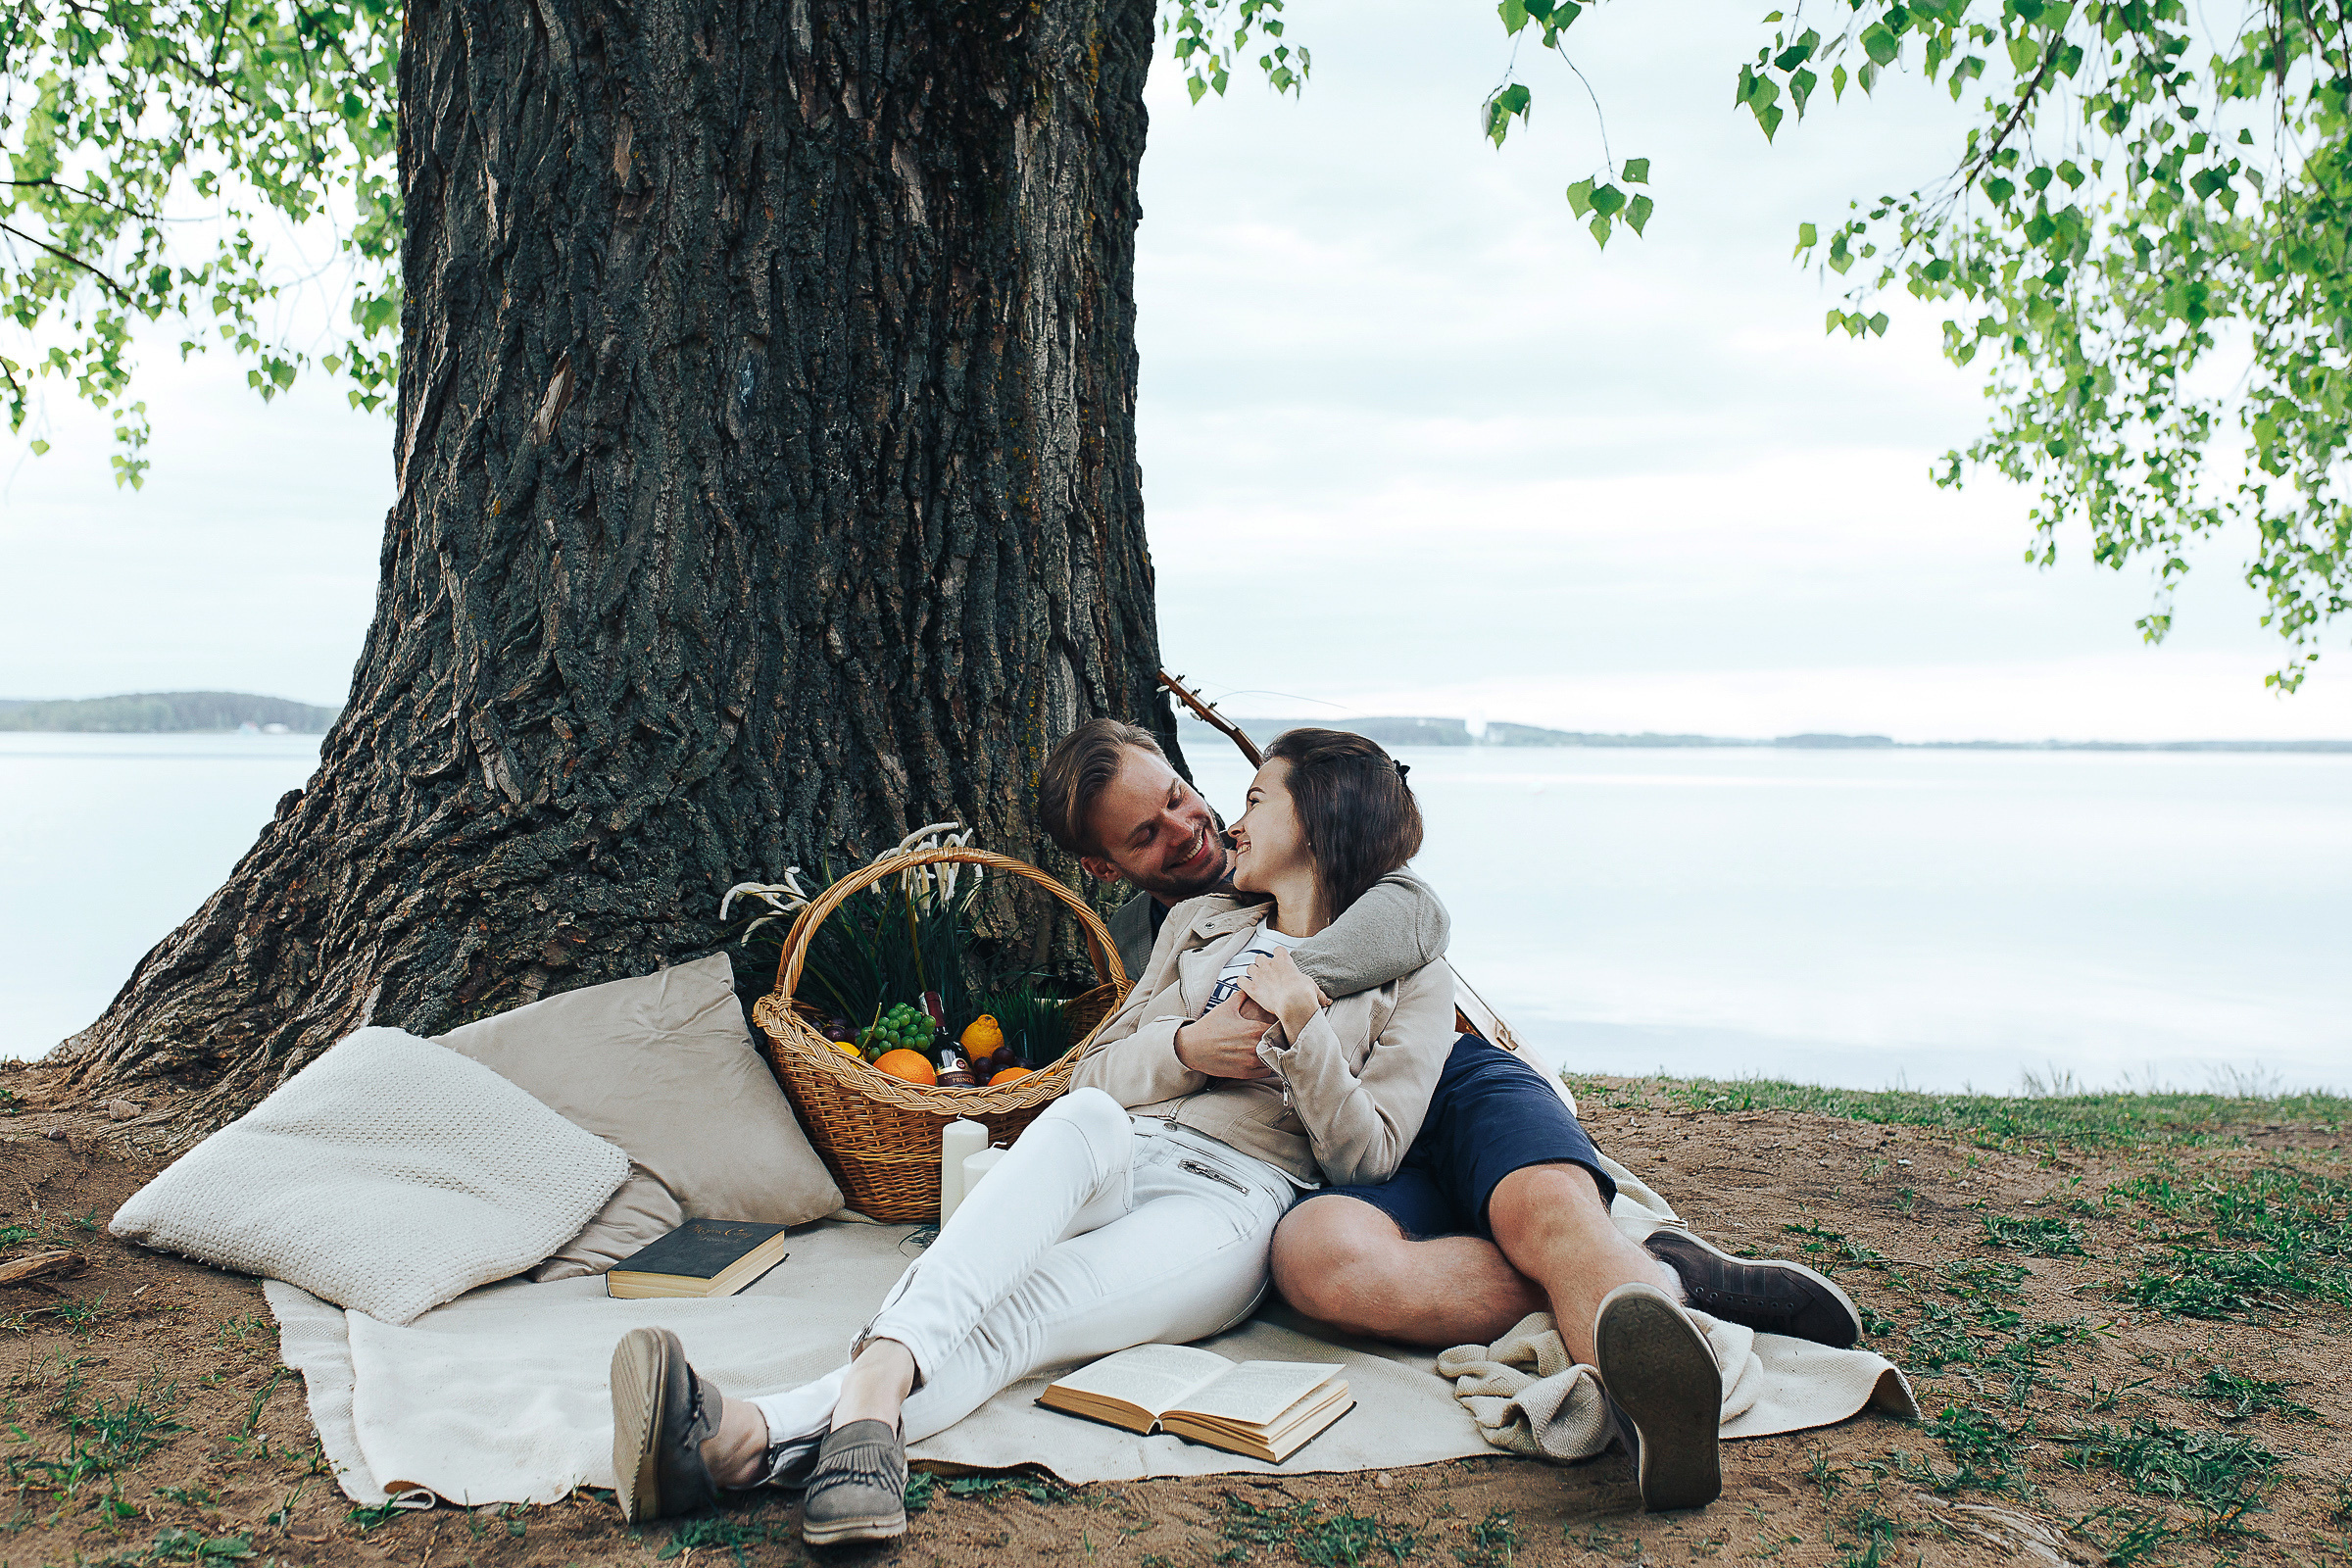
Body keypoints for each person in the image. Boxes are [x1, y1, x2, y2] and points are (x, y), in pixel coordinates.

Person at [607, 729, 1458, 1544]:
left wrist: (1306, 1036)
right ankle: (850, 1418)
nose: (1228, 821)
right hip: (1119, 1149)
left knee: (1019, 1317)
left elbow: (1368, 1154)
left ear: (1316, 818)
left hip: (1230, 1200)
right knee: (1083, 1119)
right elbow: (1088, 1081)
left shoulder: (1409, 974)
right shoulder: (1200, 925)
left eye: (1254, 799)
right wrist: (1187, 1048)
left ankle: (765, 1431)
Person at [1046, 715, 1860, 1512]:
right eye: (1146, 836)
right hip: (1326, 1119)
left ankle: (1643, 1391)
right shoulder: (1181, 925)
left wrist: (1286, 987)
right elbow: (1115, 1064)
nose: (1195, 829)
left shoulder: (1353, 889)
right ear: (1106, 867)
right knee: (1315, 1258)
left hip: (1446, 1076)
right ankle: (1660, 1274)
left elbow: (1419, 913)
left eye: (1183, 798)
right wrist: (1195, 1042)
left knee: (1543, 1210)